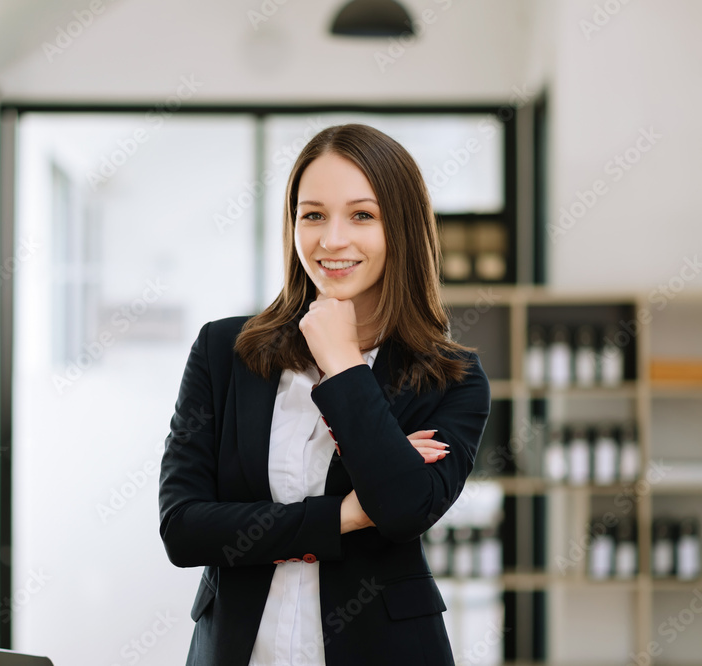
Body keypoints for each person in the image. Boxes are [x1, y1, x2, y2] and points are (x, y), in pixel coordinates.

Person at [158, 123, 491, 666]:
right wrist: (345, 514)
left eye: (362, 215)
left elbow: (404, 511)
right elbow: (184, 529)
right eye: (312, 214)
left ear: (401, 228)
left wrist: (342, 364)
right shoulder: (224, 351)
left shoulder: (451, 378)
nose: (332, 239)